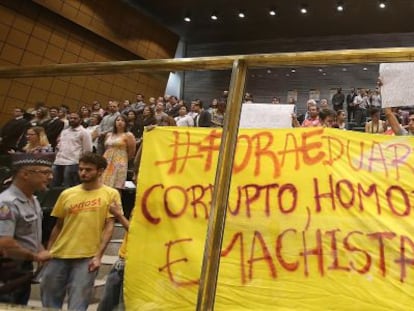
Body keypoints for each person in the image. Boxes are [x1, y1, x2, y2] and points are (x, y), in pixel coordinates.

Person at [40, 152, 121, 311]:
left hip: (86, 257)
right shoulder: (67, 194)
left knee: (78, 304)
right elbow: (58, 226)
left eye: (88, 170)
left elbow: (109, 227)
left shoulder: (111, 194)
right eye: (81, 169)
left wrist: (98, 256)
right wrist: (49, 251)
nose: (83, 173)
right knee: (49, 300)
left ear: (100, 171)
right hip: (59, 254)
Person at [0, 153, 53, 305]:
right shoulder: (7, 203)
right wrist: (35, 256)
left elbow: (31, 233)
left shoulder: (32, 200)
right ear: (25, 174)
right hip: (7, 270)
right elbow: (5, 243)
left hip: (23, 269)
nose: (50, 177)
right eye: (45, 172)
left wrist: (41, 250)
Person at [97, 202, 129, 311]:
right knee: (108, 304)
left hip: (131, 264)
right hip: (122, 261)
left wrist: (119, 215)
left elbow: (136, 232)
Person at [52, 112, 93, 187]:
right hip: (58, 161)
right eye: (71, 118)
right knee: (54, 186)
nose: (72, 120)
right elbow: (60, 145)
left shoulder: (84, 132)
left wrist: (82, 163)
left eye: (75, 118)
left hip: (73, 162)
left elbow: (88, 150)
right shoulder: (64, 131)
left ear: (80, 120)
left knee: (69, 186)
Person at [102, 115, 136, 190]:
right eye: (118, 120)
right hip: (107, 160)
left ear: (126, 123)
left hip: (120, 162)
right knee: (104, 183)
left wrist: (123, 160)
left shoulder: (128, 135)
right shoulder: (109, 134)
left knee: (116, 186)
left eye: (122, 120)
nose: (120, 122)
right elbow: (106, 148)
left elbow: (132, 151)